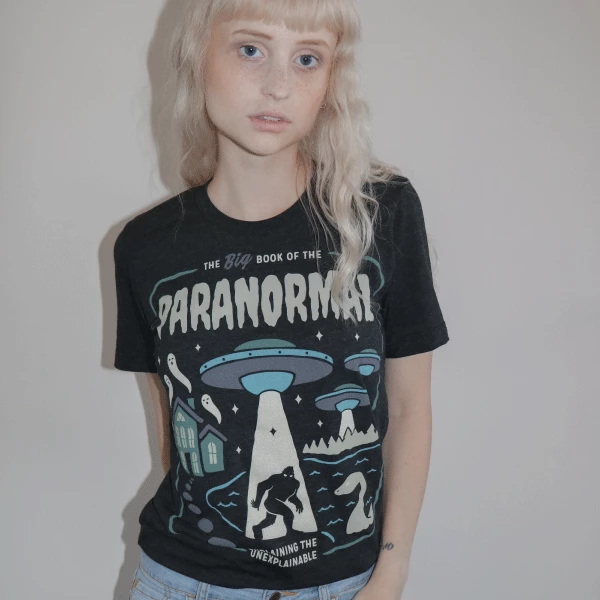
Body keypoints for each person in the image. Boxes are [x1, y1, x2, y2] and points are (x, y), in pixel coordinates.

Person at [114, 1, 450, 599]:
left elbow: (409, 409)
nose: (278, 85)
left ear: (331, 79)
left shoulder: (382, 212)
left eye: (307, 59)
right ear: (197, 57)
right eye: (251, 49)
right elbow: (172, 418)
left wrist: (392, 571)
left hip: (347, 584)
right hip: (183, 581)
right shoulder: (146, 247)